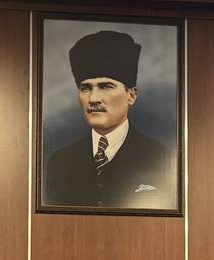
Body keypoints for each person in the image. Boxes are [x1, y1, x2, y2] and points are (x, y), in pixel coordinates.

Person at [43, 29, 177, 209]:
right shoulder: (60, 162)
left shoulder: (161, 157)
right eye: (85, 88)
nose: (93, 99)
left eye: (106, 86)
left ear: (131, 95)